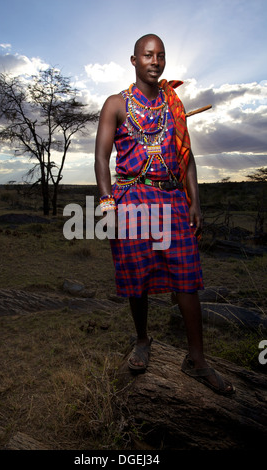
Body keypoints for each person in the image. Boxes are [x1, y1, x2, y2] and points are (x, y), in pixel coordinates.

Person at [94, 34, 235, 395]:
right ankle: (142, 339)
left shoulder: (173, 103)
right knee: (136, 275)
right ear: (133, 60)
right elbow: (101, 159)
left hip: (172, 198)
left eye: (161, 56)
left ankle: (197, 361)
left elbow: (187, 157)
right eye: (147, 55)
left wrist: (195, 201)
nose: (155, 61)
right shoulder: (116, 104)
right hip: (131, 199)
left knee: (186, 276)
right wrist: (108, 202)